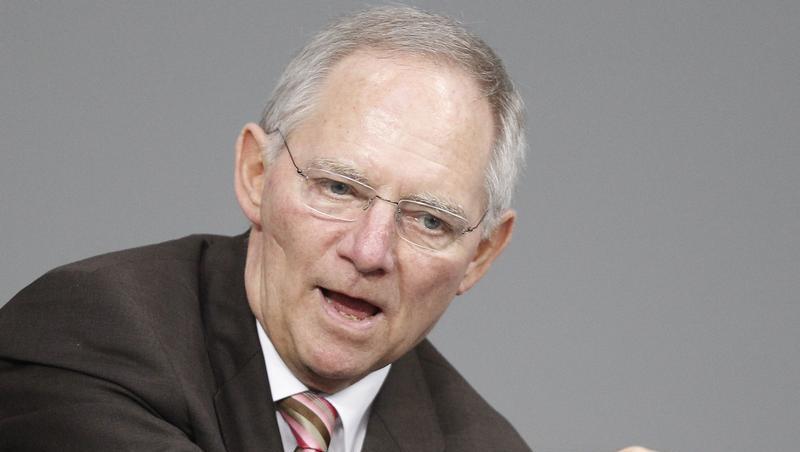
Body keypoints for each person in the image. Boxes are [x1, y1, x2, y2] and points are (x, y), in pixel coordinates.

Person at [0, 6, 532, 451]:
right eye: (338, 188)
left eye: (429, 220)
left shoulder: (484, 444)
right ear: (257, 174)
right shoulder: (92, 334)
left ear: (481, 255)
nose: (370, 252)